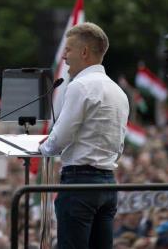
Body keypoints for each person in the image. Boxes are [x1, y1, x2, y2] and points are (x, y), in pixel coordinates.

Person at [39, 22, 130, 249]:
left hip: (79, 183)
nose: (64, 57)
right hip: (108, 184)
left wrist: (41, 148)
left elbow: (59, 140)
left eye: (68, 49)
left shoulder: (80, 86)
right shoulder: (118, 91)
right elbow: (119, 145)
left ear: (84, 52)